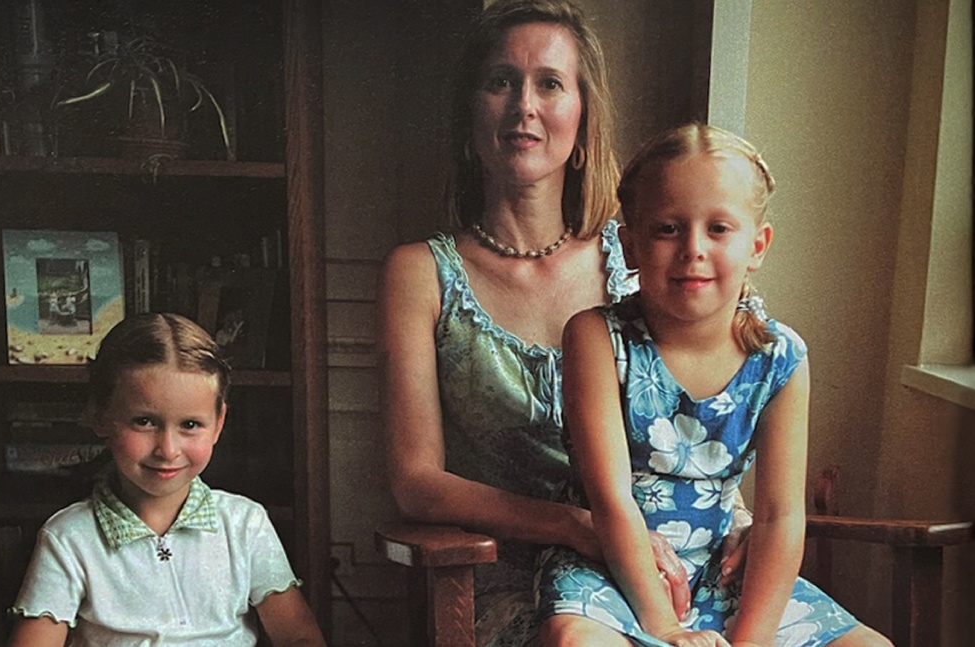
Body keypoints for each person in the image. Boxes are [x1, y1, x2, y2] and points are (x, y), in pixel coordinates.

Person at [379, 3, 749, 644]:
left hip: (670, 561)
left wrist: (740, 520)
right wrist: (578, 525)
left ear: (582, 117)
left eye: (549, 83)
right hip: (507, 575)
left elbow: (715, 408)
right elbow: (416, 483)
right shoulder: (420, 274)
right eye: (501, 81)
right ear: (470, 113)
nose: (524, 105)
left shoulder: (643, 256)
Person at [535, 123, 891, 646]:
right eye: (667, 229)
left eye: (719, 228)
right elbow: (611, 500)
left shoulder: (780, 359)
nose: (693, 249)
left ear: (757, 245)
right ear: (630, 245)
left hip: (723, 571)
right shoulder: (596, 339)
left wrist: (750, 640)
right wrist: (665, 629)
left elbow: (779, 518)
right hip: (615, 570)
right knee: (576, 643)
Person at [7, 313, 326, 647]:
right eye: (144, 421)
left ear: (218, 423)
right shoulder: (69, 538)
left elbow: (299, 637)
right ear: (100, 416)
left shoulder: (245, 525)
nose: (168, 450)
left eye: (190, 425)